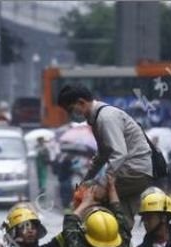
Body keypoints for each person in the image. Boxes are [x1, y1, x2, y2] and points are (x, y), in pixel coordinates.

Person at [56, 84, 153, 229]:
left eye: (71, 109)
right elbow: (102, 155)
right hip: (136, 172)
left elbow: (119, 154)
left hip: (133, 171)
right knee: (122, 222)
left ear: (82, 102)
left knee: (88, 196)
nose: (70, 114)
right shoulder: (97, 118)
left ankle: (79, 239)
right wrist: (86, 179)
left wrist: (101, 184)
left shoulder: (105, 118)